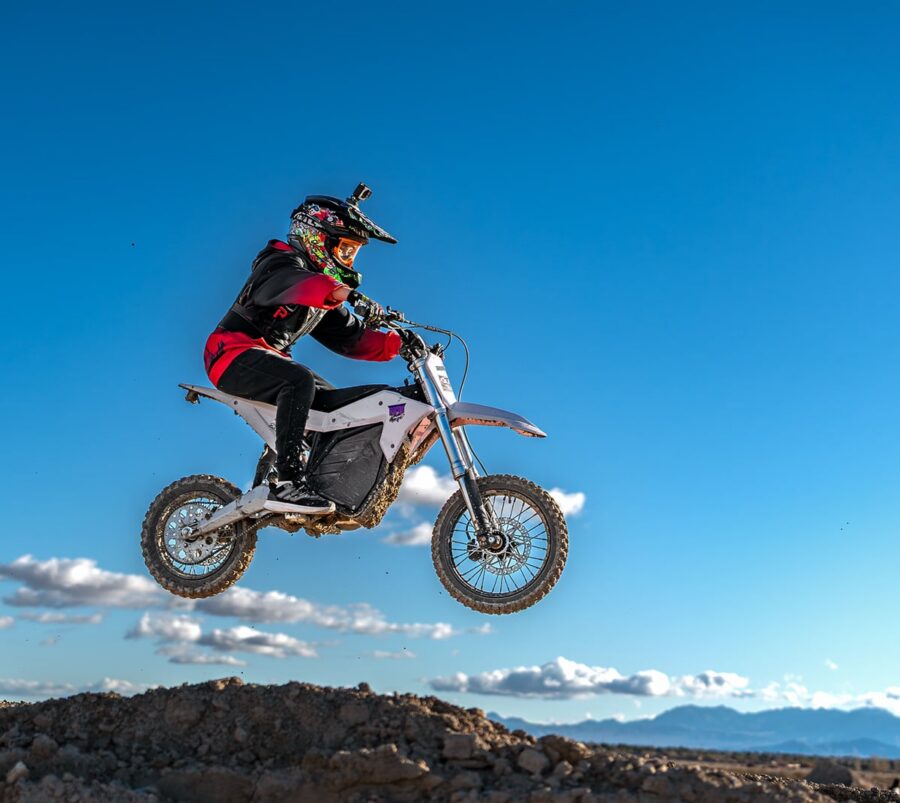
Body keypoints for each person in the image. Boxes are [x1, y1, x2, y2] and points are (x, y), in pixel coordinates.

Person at [203, 184, 402, 514]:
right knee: (300, 381)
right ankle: (288, 482)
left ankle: (319, 485)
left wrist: (398, 344)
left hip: (270, 360)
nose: (349, 260)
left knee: (339, 408)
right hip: (230, 354)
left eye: (353, 253)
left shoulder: (318, 296)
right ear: (317, 237)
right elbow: (299, 284)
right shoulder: (278, 264)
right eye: (345, 250)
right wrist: (346, 294)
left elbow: (352, 337)